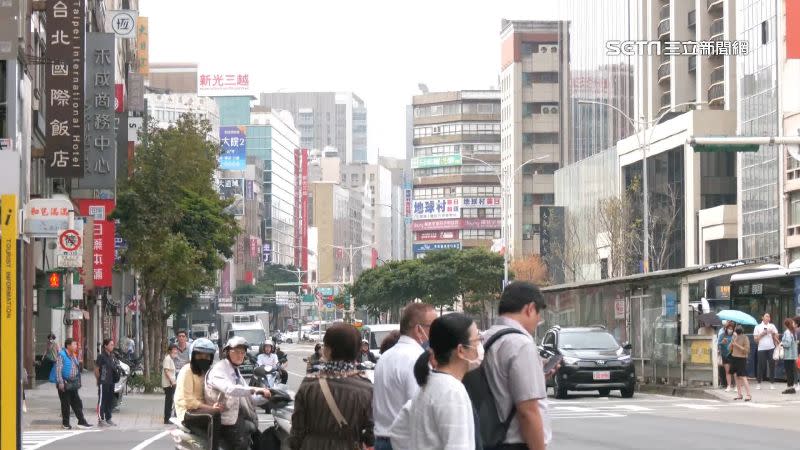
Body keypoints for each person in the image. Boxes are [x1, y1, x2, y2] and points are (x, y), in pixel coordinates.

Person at [389, 313, 479, 450]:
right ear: (460, 350)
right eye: (477, 340)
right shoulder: (452, 392)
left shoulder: (428, 384)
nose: (479, 346)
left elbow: (397, 433)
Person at [481, 281, 550, 450]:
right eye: (538, 314)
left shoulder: (486, 338)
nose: (538, 320)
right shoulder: (521, 344)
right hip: (516, 442)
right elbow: (528, 412)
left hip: (491, 439)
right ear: (530, 308)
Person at [289, 323, 374, 450]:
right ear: (357, 351)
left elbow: (297, 430)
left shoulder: (309, 385)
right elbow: (371, 433)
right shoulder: (366, 388)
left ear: (328, 350)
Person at [373, 302, 436, 450]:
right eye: (432, 327)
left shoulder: (385, 357)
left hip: (382, 439)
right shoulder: (418, 359)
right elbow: (419, 408)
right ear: (418, 329)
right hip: (404, 442)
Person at [205, 337, 271, 449]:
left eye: (242, 352)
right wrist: (255, 389)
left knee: (261, 442)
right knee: (242, 445)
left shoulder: (235, 371)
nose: (240, 355)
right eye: (236, 351)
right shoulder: (219, 369)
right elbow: (230, 389)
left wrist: (269, 396)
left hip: (239, 417)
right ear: (227, 352)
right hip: (224, 419)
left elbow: (250, 397)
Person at [175, 338, 223, 450]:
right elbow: (189, 401)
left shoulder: (207, 372)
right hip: (187, 411)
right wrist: (211, 408)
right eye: (200, 356)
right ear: (193, 355)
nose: (203, 359)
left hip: (200, 409)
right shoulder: (187, 370)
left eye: (207, 357)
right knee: (214, 416)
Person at [51, 338, 93, 430]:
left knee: (77, 403)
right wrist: (60, 382)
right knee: (65, 403)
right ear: (68, 345)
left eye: (76, 345)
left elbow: (76, 368)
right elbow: (58, 370)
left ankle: (82, 421)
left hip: (73, 383)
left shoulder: (73, 355)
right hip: (64, 383)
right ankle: (65, 423)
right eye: (74, 345)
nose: (76, 347)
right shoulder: (61, 355)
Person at [94, 338, 118, 427]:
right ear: (105, 346)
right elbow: (96, 369)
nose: (113, 346)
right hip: (103, 381)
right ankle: (101, 419)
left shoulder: (112, 356)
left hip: (111, 381)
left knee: (109, 400)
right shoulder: (101, 356)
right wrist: (98, 380)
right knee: (102, 400)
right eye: (111, 344)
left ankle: (108, 418)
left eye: (113, 344)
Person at [753, 313, 779, 390]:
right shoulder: (757, 327)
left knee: (772, 366)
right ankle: (758, 383)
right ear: (762, 317)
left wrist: (773, 333)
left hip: (771, 348)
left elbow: (777, 336)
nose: (768, 318)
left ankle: (772, 383)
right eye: (766, 316)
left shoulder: (772, 326)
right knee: (761, 366)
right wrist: (762, 334)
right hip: (761, 349)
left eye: (769, 316)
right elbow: (755, 339)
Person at [730, 325, 752, 401]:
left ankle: (748, 394)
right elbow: (730, 348)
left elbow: (747, 350)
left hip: (741, 359)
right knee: (736, 376)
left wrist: (737, 345)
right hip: (734, 357)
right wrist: (732, 343)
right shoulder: (734, 338)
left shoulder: (745, 338)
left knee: (743, 376)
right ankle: (739, 394)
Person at [162, 343, 179, 424]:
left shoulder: (170, 359)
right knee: (168, 402)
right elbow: (167, 371)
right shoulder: (167, 359)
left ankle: (168, 418)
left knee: (170, 401)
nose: (175, 352)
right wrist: (172, 381)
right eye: (174, 350)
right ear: (170, 351)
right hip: (169, 384)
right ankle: (167, 419)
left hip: (170, 383)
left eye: (176, 350)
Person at [717, 321, 736, 392]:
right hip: (724, 354)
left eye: (731, 328)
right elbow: (717, 343)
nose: (730, 330)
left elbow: (738, 343)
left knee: (734, 371)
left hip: (733, 354)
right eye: (729, 328)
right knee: (727, 371)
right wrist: (722, 342)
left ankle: (736, 386)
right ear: (726, 328)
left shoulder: (734, 335)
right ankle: (729, 385)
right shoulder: (722, 335)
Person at [780, 318, 797, 394]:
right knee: (792, 371)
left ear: (785, 325)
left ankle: (789, 388)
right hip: (793, 355)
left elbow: (788, 344)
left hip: (788, 355)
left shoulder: (787, 332)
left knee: (788, 371)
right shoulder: (793, 332)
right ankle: (792, 387)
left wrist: (782, 344)